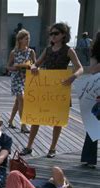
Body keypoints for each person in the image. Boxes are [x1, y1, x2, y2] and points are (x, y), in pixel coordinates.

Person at [20, 22, 83, 158]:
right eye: (51, 34)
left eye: (56, 33)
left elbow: (80, 68)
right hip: (45, 90)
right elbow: (35, 64)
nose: (53, 36)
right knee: (36, 118)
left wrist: (73, 76)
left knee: (57, 120)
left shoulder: (68, 50)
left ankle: (52, 148)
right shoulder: (48, 50)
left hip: (60, 89)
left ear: (63, 35)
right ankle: (29, 146)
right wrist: (33, 68)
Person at [6, 29, 36, 133]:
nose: (28, 40)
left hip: (26, 79)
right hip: (16, 79)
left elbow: (35, 65)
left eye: (29, 39)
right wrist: (15, 68)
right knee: (21, 100)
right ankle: (23, 125)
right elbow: (8, 66)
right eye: (26, 39)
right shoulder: (14, 52)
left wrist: (30, 67)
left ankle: (10, 121)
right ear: (20, 40)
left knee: (18, 101)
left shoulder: (31, 52)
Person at [80, 31, 100, 169]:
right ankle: (89, 157)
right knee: (94, 124)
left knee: (95, 124)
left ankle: (89, 157)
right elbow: (93, 69)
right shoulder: (96, 52)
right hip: (97, 88)